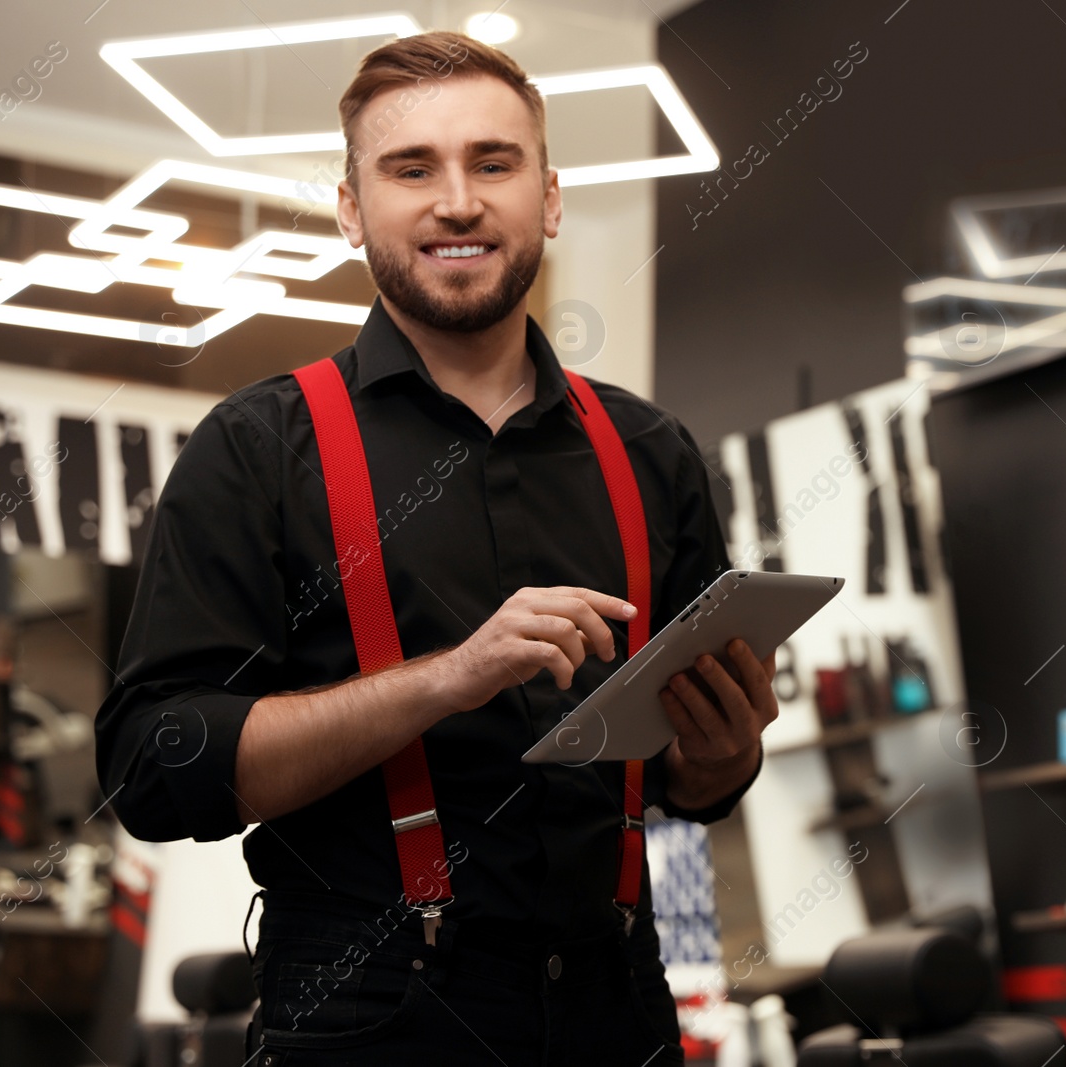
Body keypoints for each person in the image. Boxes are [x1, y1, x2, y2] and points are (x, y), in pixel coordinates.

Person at [94, 31, 777, 1066]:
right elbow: (153, 768)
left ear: (547, 198)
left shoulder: (652, 452)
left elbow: (689, 779)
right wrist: (446, 678)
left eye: (492, 163)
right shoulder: (255, 450)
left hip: (617, 1003)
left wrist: (721, 755)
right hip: (370, 1008)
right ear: (351, 209)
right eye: (411, 168)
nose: (458, 201)